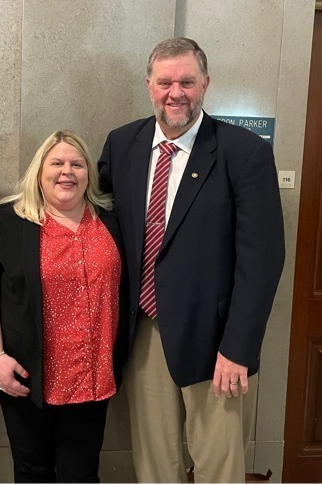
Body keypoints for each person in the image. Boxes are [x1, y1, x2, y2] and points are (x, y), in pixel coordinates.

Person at [98, 37, 285, 483]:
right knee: (154, 462)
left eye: (186, 81)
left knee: (218, 463)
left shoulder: (244, 152)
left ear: (205, 84)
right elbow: (92, 211)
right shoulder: (122, 143)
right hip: (143, 333)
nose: (175, 92)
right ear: (149, 85)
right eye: (165, 82)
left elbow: (262, 260)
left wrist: (238, 349)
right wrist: (14, 221)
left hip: (215, 341)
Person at [0, 130, 128, 483]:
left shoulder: (113, 220)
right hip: (26, 378)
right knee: (32, 473)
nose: (67, 171)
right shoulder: (10, 222)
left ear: (89, 174)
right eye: (57, 163)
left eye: (77, 164)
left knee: (82, 475)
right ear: (40, 172)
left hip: (93, 377)